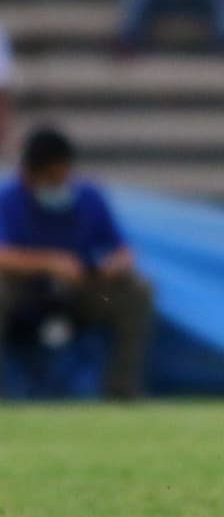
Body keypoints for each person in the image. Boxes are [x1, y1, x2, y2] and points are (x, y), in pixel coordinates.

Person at [0, 126, 154, 399]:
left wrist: (111, 266)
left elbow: (124, 251)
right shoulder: (8, 200)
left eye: (61, 175)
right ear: (30, 174)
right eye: (50, 177)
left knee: (137, 292)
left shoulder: (89, 198)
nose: (57, 184)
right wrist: (49, 262)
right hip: (26, 293)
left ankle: (121, 390)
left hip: (80, 291)